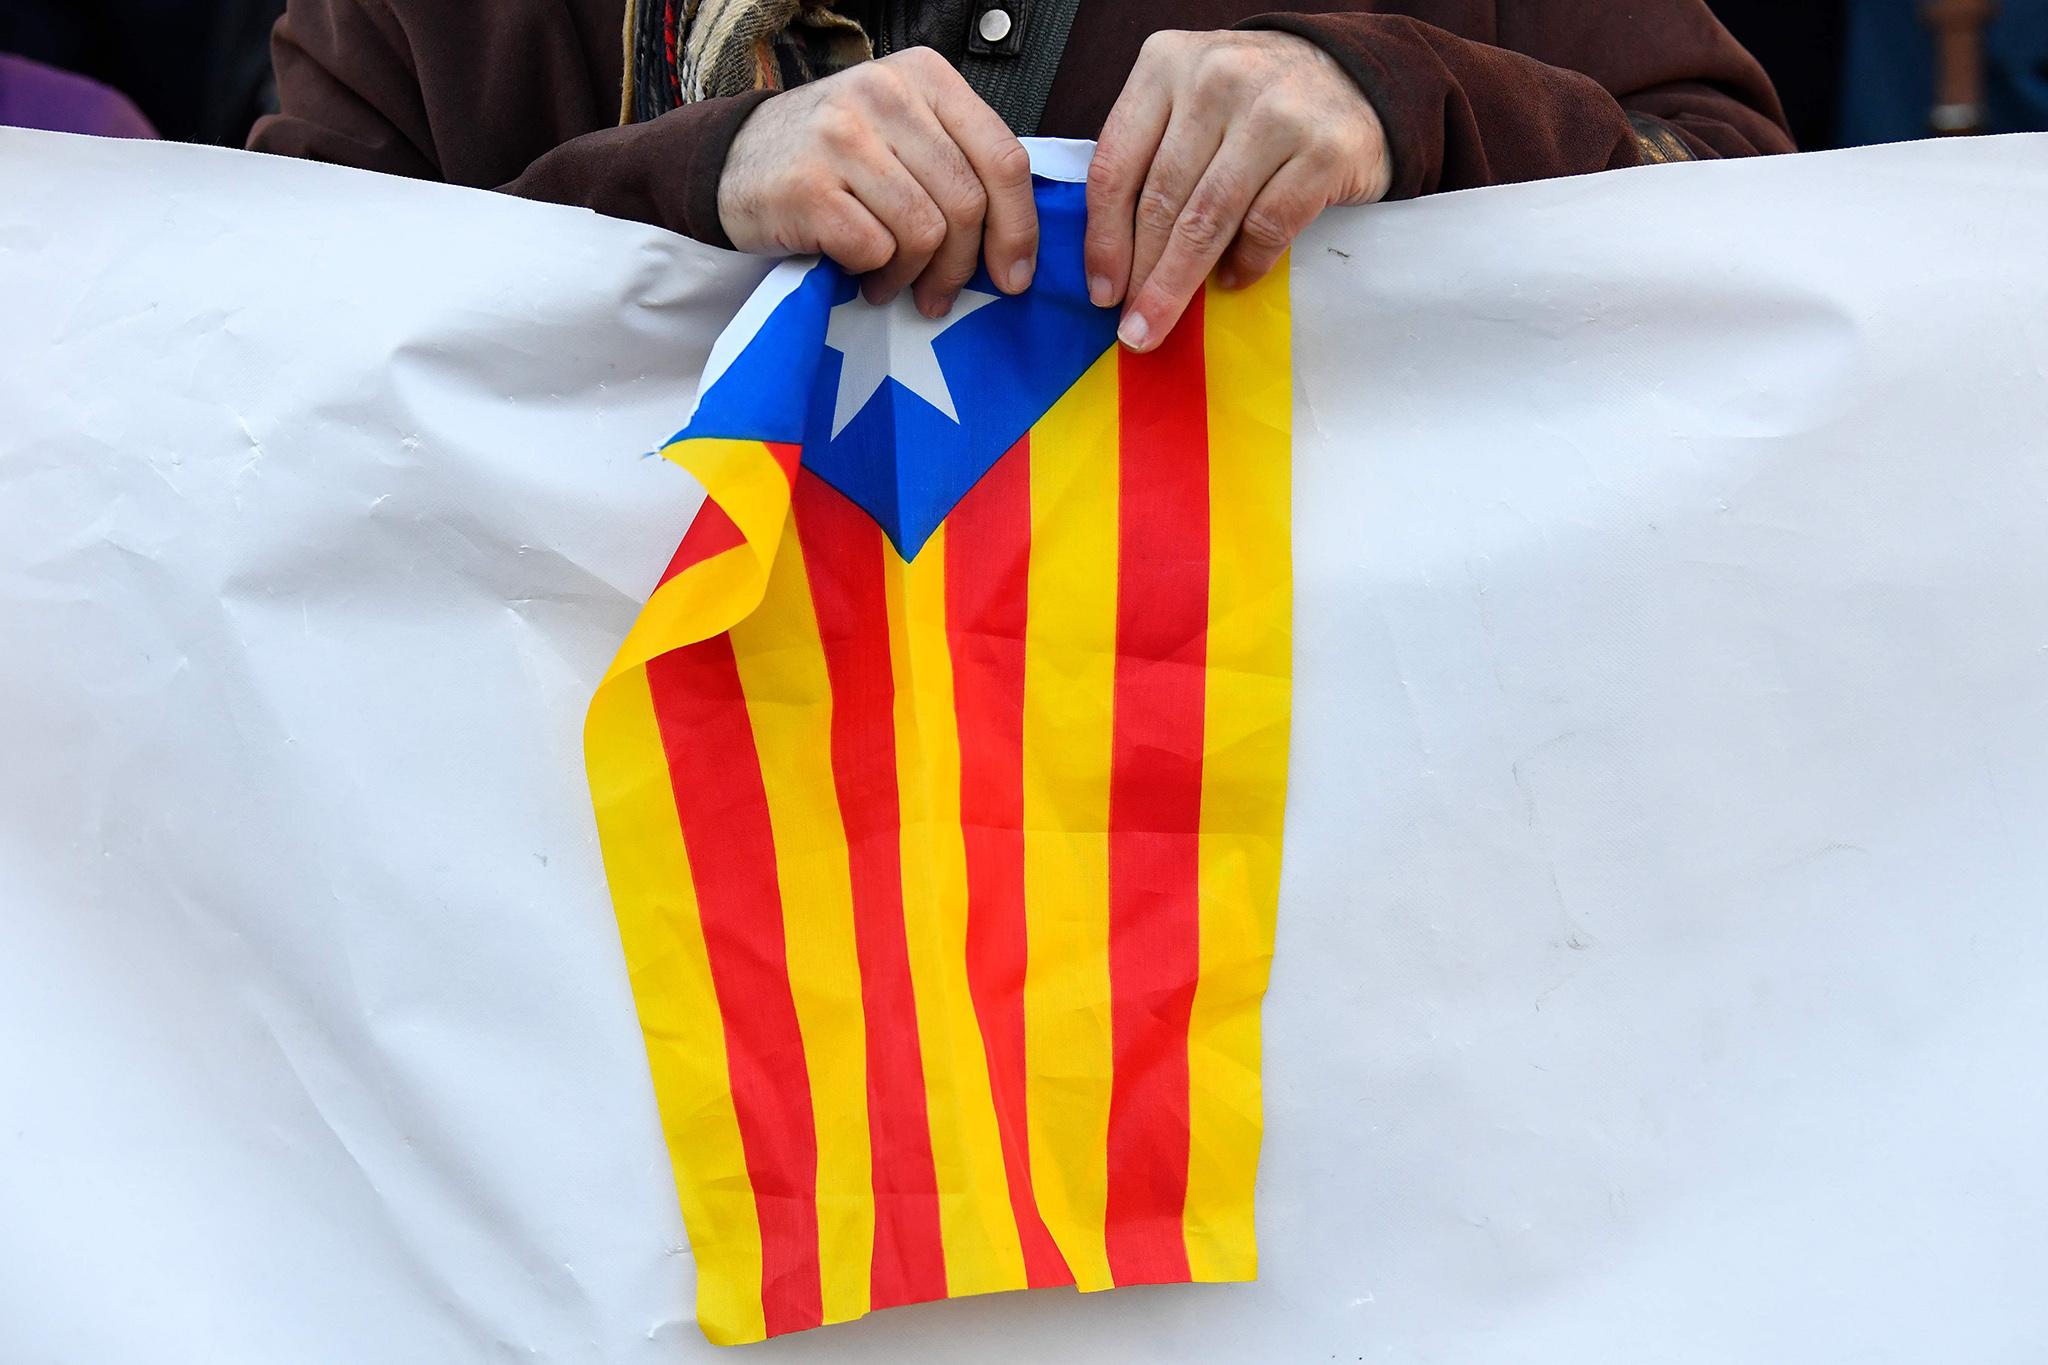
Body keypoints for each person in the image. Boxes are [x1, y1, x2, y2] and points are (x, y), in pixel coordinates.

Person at [250, 1, 1790, 352]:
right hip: (631, 955)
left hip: (1298, 939)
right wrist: (691, 184)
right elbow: (264, 367)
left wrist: (1398, 98)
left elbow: (1753, 244)